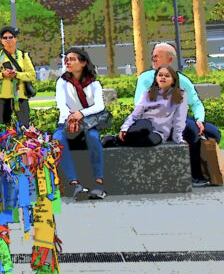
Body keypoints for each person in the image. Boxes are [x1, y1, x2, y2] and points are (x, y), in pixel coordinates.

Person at [133, 43, 218, 186]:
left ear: (170, 60)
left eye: (157, 56)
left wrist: (200, 120)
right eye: (153, 56)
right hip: (155, 120)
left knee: (213, 132)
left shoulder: (182, 80)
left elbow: (196, 103)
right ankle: (194, 176)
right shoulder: (146, 78)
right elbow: (139, 105)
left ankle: (208, 169)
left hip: (180, 117)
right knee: (191, 130)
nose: (153, 59)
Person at [52, 47, 107, 201]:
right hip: (66, 123)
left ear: (83, 63)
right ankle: (74, 184)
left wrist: (81, 114)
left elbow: (99, 106)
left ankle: (99, 183)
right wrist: (71, 119)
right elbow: (61, 104)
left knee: (94, 138)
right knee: (57, 140)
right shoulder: (62, 82)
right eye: (67, 60)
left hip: (87, 124)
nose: (68, 62)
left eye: (72, 59)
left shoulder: (94, 84)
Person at [120, 65, 188, 147]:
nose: (163, 77)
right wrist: (125, 128)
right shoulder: (147, 94)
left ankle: (117, 141)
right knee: (144, 125)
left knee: (149, 141)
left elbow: (179, 118)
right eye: (160, 75)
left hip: (159, 133)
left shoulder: (180, 95)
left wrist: (179, 139)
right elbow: (135, 114)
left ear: (173, 80)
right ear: (156, 78)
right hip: (143, 126)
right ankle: (121, 139)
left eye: (167, 76)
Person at [0, 26, 36, 127]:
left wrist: (17, 74)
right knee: (4, 128)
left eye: (10, 37)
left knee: (25, 127)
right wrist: (2, 74)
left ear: (15, 39)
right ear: (1, 41)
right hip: (3, 98)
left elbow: (32, 75)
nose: (8, 40)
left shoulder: (23, 56)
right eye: (5, 38)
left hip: (20, 97)